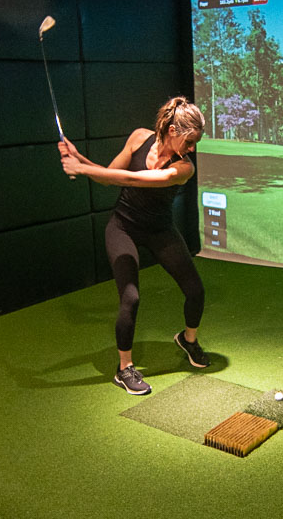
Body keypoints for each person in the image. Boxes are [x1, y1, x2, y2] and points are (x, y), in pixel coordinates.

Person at [59, 97, 209, 395]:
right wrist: (82, 158)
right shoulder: (139, 138)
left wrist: (82, 168)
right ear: (171, 129)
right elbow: (110, 177)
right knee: (131, 297)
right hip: (122, 226)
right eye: (190, 141)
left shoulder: (183, 168)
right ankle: (124, 368)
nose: (193, 149)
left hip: (160, 230)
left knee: (196, 291)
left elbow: (131, 178)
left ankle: (188, 340)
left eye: (196, 142)